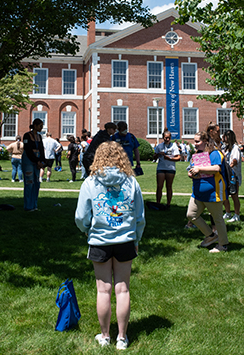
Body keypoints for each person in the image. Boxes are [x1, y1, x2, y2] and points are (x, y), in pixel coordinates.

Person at [75, 142, 145, 351]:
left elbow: (80, 216)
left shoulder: (90, 182)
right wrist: (137, 238)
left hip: (100, 240)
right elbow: (140, 216)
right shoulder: (131, 182)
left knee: (103, 290)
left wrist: (86, 229)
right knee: (122, 290)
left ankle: (105, 336)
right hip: (125, 240)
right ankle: (122, 338)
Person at [186, 131, 229, 253]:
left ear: (205, 141)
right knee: (191, 215)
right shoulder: (197, 155)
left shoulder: (214, 153)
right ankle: (211, 236)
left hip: (213, 192)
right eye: (194, 141)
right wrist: (191, 173)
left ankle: (223, 244)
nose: (195, 144)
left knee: (218, 219)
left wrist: (199, 168)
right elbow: (191, 169)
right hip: (198, 192)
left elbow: (216, 168)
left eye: (197, 141)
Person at [154, 129, 181, 210]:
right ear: (163, 138)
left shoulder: (174, 146)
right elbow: (154, 157)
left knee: (168, 186)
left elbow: (178, 157)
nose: (167, 139)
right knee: (159, 186)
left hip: (170, 168)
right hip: (161, 168)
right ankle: (158, 203)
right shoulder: (159, 146)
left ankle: (168, 204)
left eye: (169, 138)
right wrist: (158, 154)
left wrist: (169, 158)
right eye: (166, 138)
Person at [22, 119, 46, 211]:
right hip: (28, 160)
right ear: (35, 125)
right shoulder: (27, 136)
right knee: (29, 183)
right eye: (40, 126)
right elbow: (28, 150)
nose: (41, 128)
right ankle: (28, 206)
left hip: (37, 160)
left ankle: (34, 205)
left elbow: (41, 149)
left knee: (36, 183)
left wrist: (42, 161)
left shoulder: (39, 137)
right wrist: (37, 161)